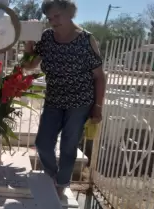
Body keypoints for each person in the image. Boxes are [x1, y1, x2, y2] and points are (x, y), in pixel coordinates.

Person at [22, 0, 106, 198]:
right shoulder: (48, 37)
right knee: (43, 143)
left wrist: (98, 107)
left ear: (70, 12)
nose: (53, 21)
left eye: (57, 16)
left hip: (80, 102)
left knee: (69, 145)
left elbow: (99, 76)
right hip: (54, 100)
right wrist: (29, 43)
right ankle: (52, 175)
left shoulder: (86, 39)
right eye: (49, 18)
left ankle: (62, 183)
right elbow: (29, 65)